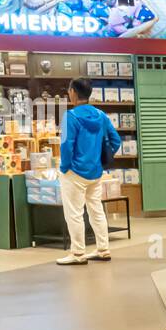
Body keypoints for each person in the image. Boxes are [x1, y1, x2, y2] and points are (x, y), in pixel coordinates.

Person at [57, 77, 121, 265]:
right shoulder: (101, 115)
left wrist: (65, 167)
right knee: (96, 210)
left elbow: (66, 146)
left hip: (75, 173)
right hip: (95, 172)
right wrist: (100, 160)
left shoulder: (71, 116)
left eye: (69, 90)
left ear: (73, 93)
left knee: (74, 213)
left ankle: (78, 253)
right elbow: (115, 140)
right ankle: (103, 249)